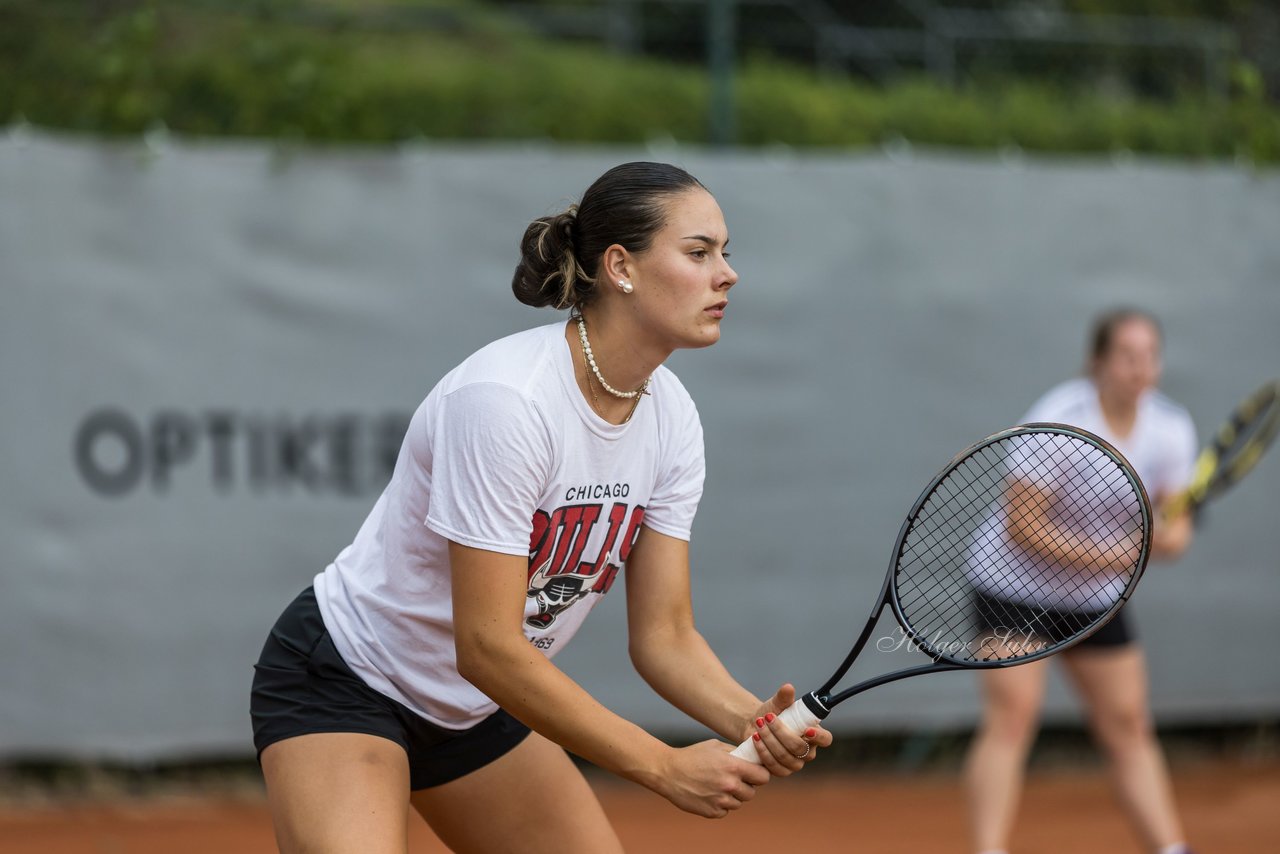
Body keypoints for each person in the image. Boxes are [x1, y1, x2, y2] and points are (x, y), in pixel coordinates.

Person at [250, 162, 833, 854]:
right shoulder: (508, 402)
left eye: (726, 254)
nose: (727, 274)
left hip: (473, 706)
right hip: (349, 679)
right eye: (699, 252)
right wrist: (663, 764)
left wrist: (750, 720)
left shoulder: (671, 417)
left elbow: (664, 636)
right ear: (621, 266)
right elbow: (489, 646)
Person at [963, 308, 1198, 854]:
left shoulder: (1171, 427)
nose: (1140, 369)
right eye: (1126, 356)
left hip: (1096, 602)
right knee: (1012, 721)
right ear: (1098, 362)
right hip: (1012, 591)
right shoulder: (1059, 419)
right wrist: (1120, 554)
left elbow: (1177, 528)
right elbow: (1023, 526)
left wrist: (1167, 541)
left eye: (1150, 356)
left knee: (1129, 727)